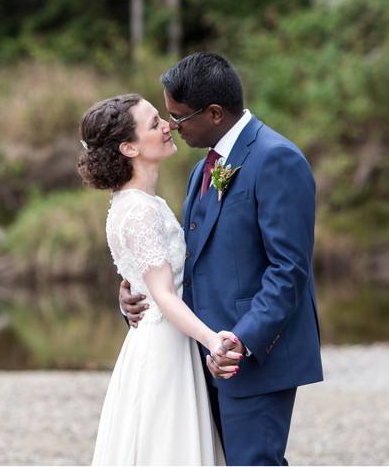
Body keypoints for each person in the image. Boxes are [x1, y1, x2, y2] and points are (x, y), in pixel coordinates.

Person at [119, 52, 323, 466]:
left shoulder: (276, 158)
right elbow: (188, 264)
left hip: (252, 356)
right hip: (198, 358)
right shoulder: (204, 168)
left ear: (213, 113)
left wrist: (239, 343)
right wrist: (136, 297)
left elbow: (289, 270)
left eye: (178, 116)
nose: (172, 126)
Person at [79, 93, 241, 465]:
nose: (168, 126)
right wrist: (212, 339)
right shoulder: (137, 211)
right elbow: (165, 296)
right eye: (154, 123)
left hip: (166, 339)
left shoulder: (140, 202)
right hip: (165, 346)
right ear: (129, 147)